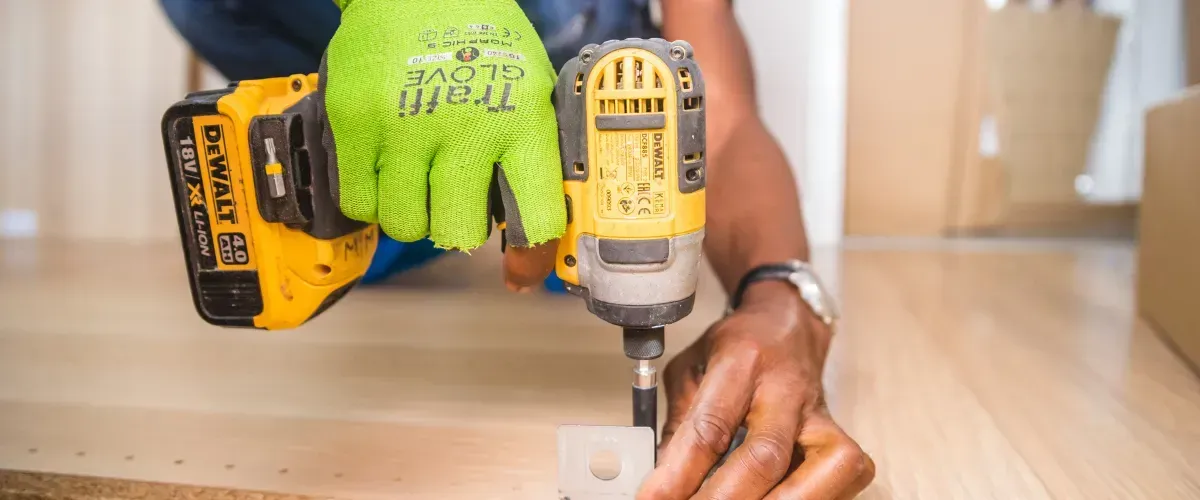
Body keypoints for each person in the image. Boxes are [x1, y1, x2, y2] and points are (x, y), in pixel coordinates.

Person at [160, 1, 875, 498]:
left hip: (559, 171)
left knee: (585, 267)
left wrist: (782, 294)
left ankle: (500, 189)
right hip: (366, 149)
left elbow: (718, 112)